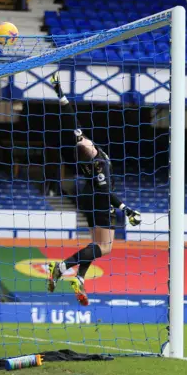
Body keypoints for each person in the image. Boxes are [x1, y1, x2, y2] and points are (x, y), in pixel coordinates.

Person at [46, 73, 142, 306]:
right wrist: (126, 209)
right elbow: (106, 192)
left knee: (97, 245)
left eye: (83, 139)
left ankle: (79, 277)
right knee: (105, 247)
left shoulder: (91, 151)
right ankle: (63, 266)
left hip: (93, 199)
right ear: (86, 153)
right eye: (81, 143)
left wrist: (60, 91)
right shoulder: (97, 163)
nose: (83, 140)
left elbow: (71, 118)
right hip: (100, 200)